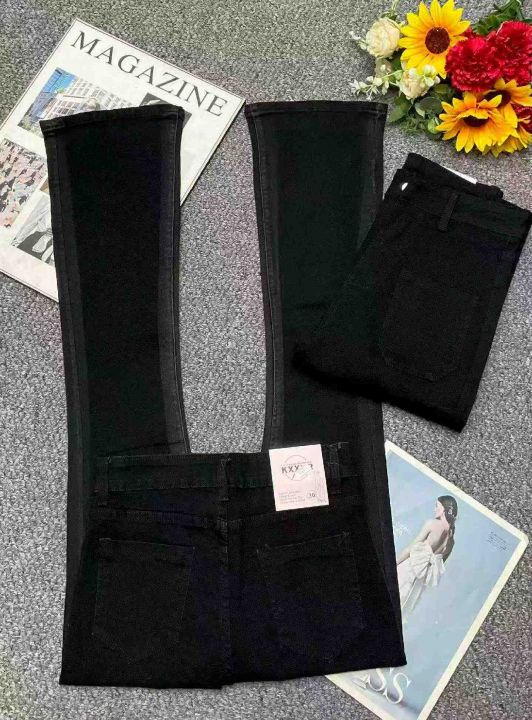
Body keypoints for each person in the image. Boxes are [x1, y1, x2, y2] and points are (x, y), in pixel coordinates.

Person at [396, 495, 458, 619]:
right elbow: (439, 565)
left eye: (437, 506)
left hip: (410, 567)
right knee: (403, 607)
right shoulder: (451, 541)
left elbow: (410, 548)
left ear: (444, 509)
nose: (435, 509)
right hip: (421, 579)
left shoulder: (432, 524)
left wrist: (394, 563)